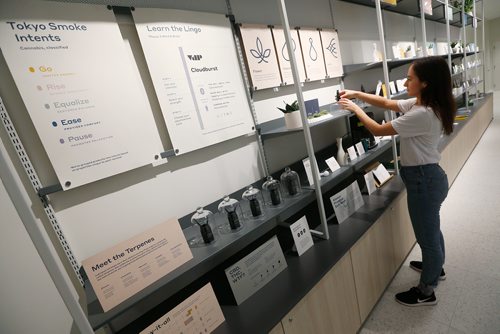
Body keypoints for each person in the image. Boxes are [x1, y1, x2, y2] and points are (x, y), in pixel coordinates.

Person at [338, 56, 456, 307]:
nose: (405, 81)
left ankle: (427, 291)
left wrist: (355, 108)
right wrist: (357, 94)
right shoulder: (422, 103)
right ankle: (436, 267)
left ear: (424, 83)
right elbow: (386, 102)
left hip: (424, 181)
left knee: (426, 235)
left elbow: (379, 131)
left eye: (410, 78)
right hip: (428, 178)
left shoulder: (423, 113)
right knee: (431, 229)